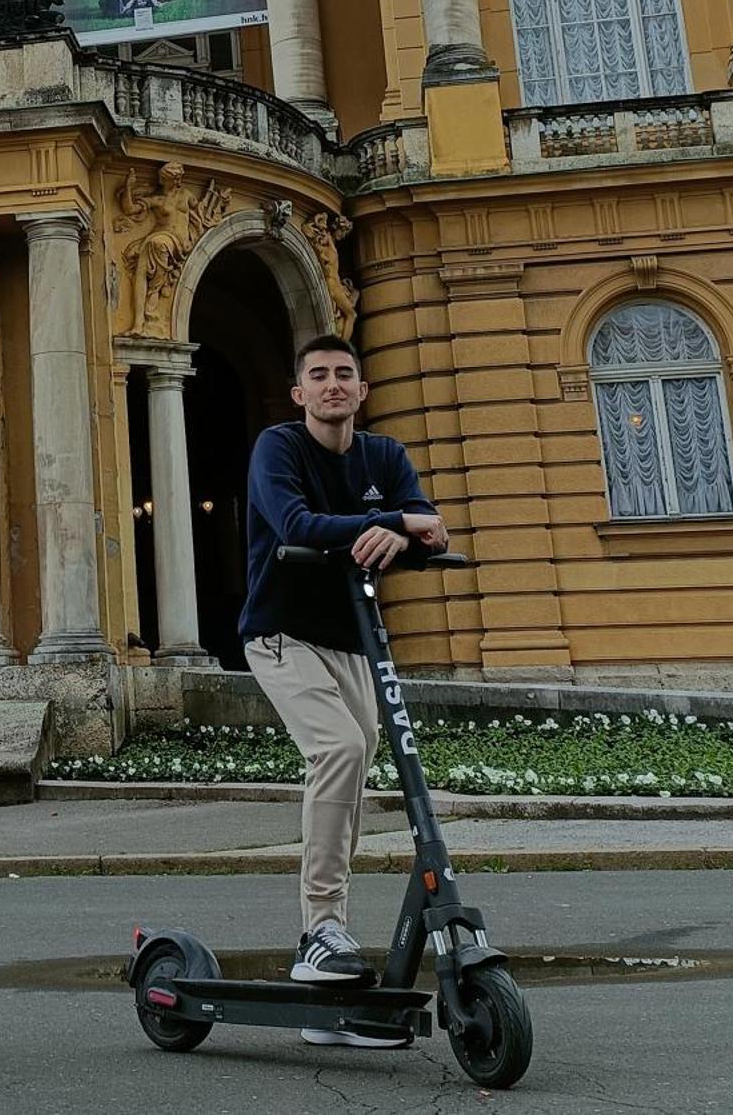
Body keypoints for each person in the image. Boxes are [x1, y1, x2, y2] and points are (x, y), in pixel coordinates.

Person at [240, 334, 449, 1046]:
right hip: (280, 634)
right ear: (300, 393)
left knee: (357, 764)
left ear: (362, 391)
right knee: (338, 750)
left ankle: (331, 996)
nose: (332, 386)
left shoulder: (384, 457)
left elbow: (431, 531)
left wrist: (402, 530)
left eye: (344, 376)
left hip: (353, 639)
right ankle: (319, 930)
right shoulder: (278, 449)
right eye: (318, 376)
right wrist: (389, 522)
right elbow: (297, 526)